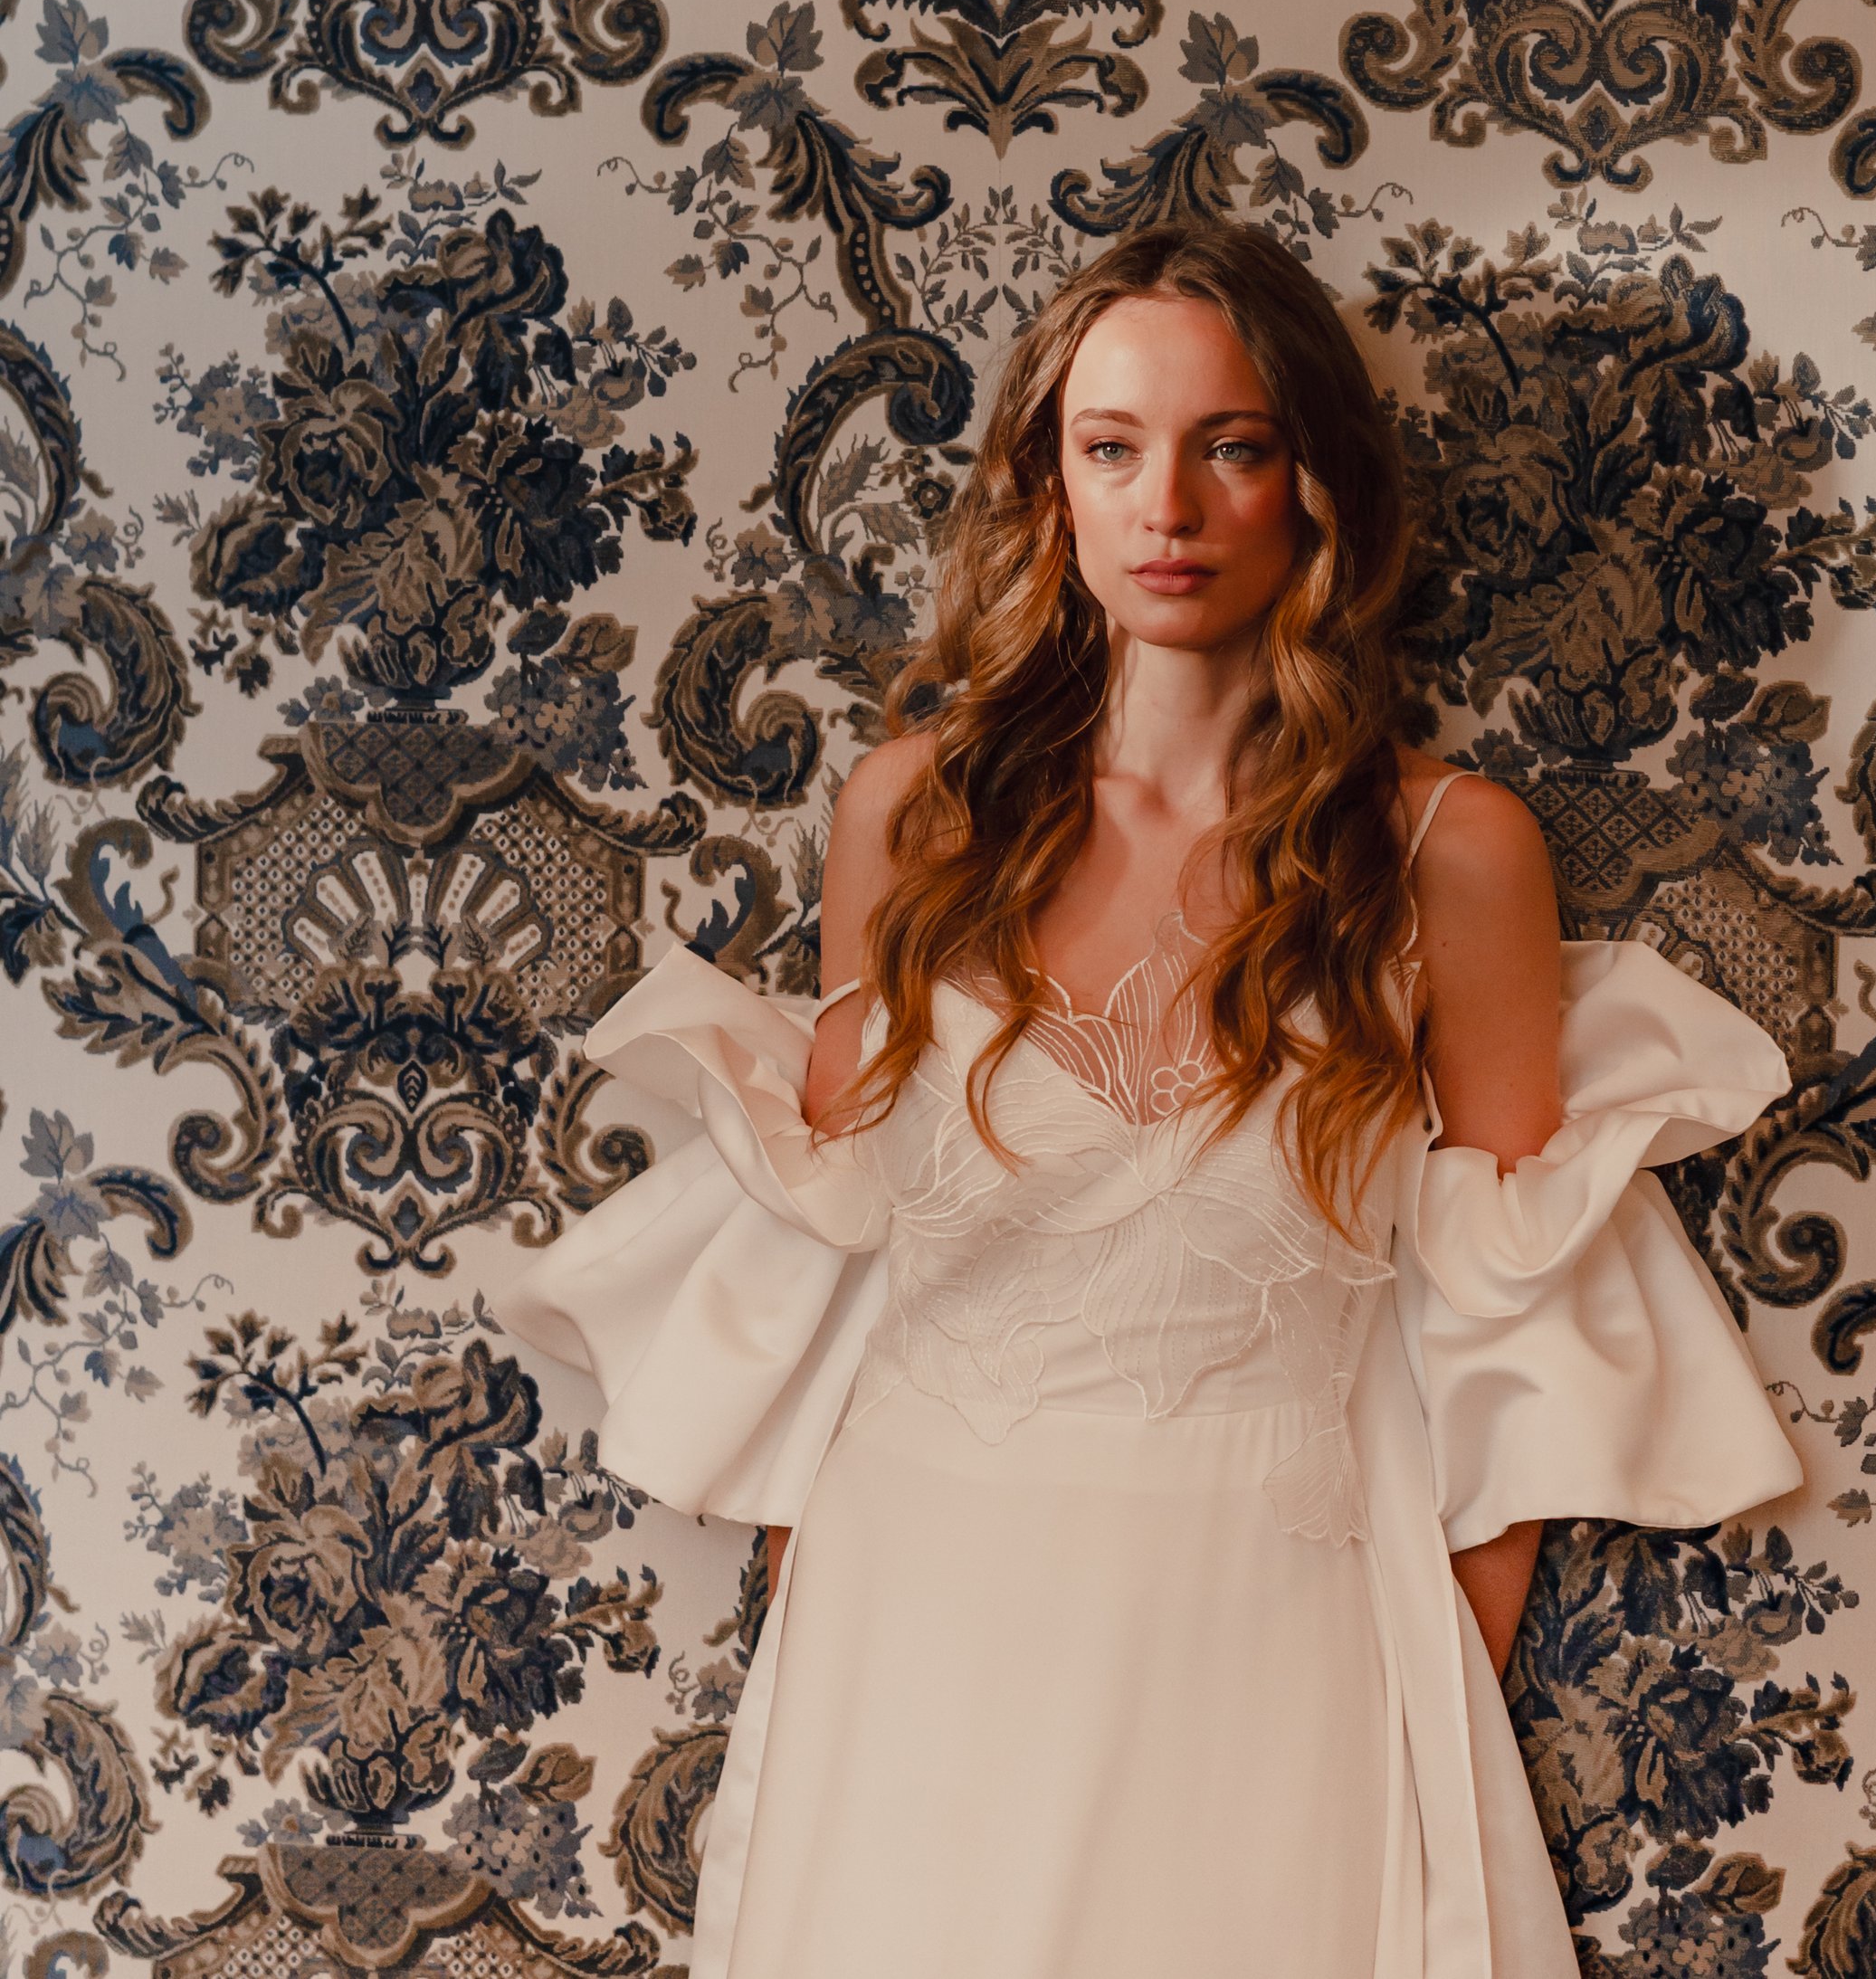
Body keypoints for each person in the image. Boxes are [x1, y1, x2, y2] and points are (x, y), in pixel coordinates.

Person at [498, 220, 1799, 1979]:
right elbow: (826, 1267)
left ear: (1312, 485)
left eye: (1227, 446)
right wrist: (829, 1693)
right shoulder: (910, 814)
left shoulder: (1443, 850)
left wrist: (1402, 1701)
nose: (1164, 503)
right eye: (1110, 447)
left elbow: (1517, 1331)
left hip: (1270, 1647)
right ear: (1051, 485)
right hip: (910, 1655)